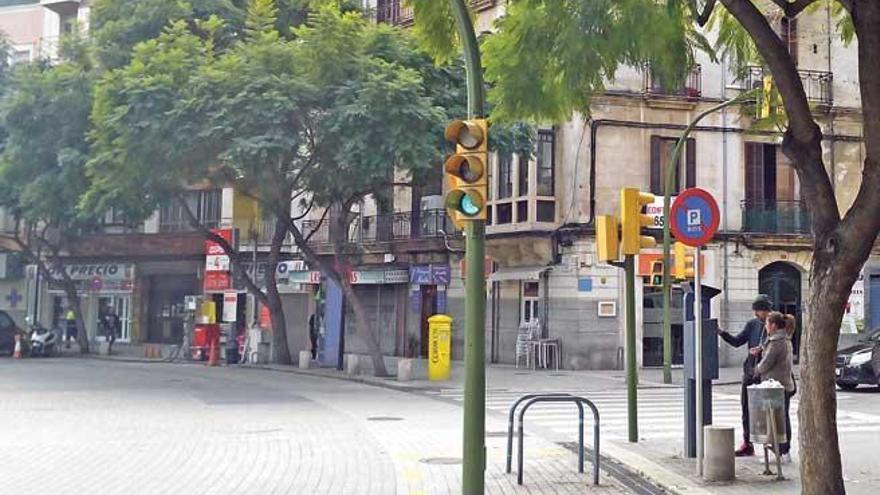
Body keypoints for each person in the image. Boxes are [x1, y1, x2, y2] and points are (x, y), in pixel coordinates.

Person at [718, 294, 773, 456]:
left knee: (768, 410)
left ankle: (775, 445)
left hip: (766, 372)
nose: (756, 314)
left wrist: (762, 350)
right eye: (755, 311)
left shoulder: (775, 323)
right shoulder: (752, 324)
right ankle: (747, 443)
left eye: (759, 311)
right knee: (746, 408)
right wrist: (722, 333)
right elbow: (737, 342)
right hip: (750, 370)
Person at [754, 312, 796, 463]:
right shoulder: (783, 339)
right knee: (780, 418)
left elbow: (767, 363)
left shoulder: (776, 342)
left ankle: (783, 450)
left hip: (777, 386)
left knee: (779, 420)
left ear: (773, 325)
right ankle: (781, 450)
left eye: (767, 324)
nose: (765, 327)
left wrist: (755, 370)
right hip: (782, 385)